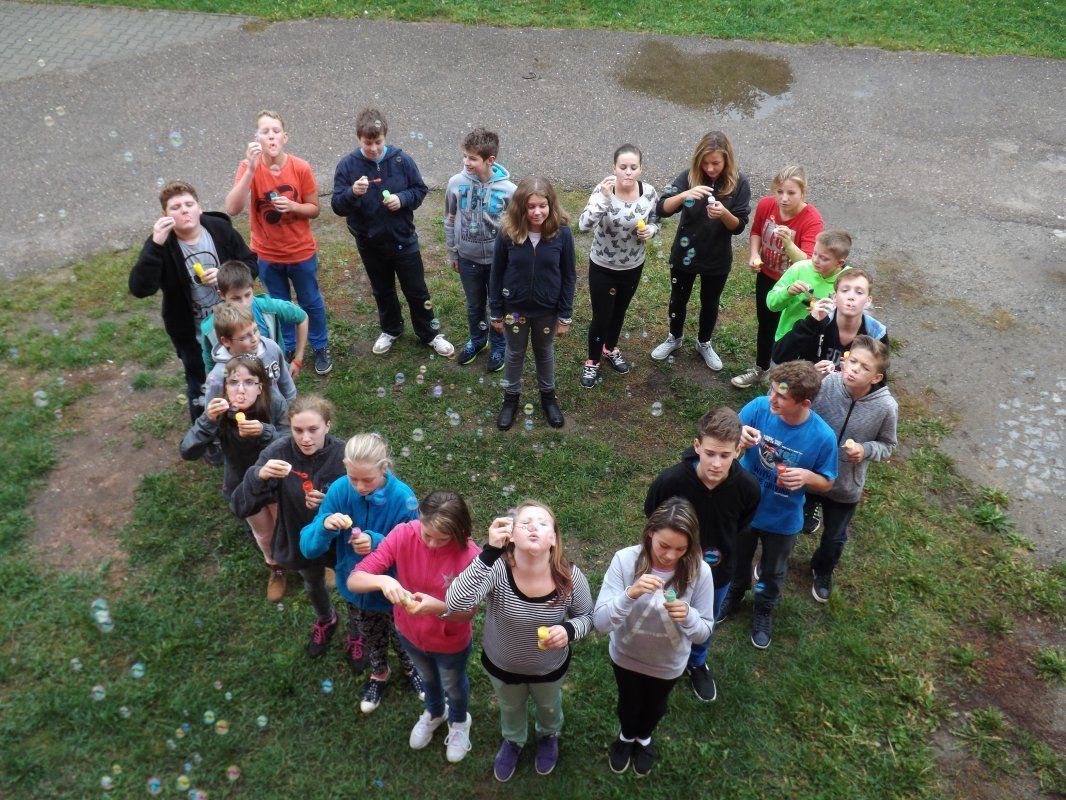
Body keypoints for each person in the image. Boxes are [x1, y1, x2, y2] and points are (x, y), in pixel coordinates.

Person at [446, 500, 593, 781]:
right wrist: (489, 553)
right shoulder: (497, 569)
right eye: (525, 523)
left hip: (548, 668)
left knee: (549, 706)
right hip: (503, 666)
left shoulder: (569, 577)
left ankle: (548, 735)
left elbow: (587, 616)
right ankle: (513, 739)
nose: (534, 527)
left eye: (543, 523)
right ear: (511, 535)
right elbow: (455, 602)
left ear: (553, 539)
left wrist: (570, 630)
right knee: (510, 707)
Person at [348, 491, 481, 763]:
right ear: (420, 517)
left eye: (442, 539)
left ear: (459, 531)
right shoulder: (403, 535)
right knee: (428, 678)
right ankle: (435, 712)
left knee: (454, 684)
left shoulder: (471, 557)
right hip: (409, 634)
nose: (431, 543)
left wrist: (440, 608)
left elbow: (468, 613)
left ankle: (459, 721)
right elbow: (354, 580)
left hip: (450, 643)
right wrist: (383, 581)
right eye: (427, 534)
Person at [718, 361, 838, 649]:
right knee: (738, 558)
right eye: (772, 390)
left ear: (804, 403)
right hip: (745, 510)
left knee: (773, 570)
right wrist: (738, 437)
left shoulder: (823, 437)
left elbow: (827, 482)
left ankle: (763, 608)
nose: (772, 398)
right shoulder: (759, 408)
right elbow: (727, 441)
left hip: (782, 521)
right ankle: (736, 591)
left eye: (781, 396)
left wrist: (808, 477)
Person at [299, 433, 423, 711]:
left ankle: (411, 669)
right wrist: (324, 525)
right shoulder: (340, 491)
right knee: (370, 638)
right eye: (353, 477)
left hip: (395, 592)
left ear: (384, 468)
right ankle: (379, 673)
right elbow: (308, 548)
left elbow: (415, 552)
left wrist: (377, 543)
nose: (359, 487)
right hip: (356, 590)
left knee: (404, 638)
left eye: (367, 479)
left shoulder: (403, 499)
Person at [643, 407, 759, 701]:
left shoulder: (748, 488)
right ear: (697, 446)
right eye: (710, 453)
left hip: (718, 573)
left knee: (705, 620)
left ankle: (696, 661)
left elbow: (742, 524)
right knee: (663, 613)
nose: (716, 463)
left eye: (725, 455)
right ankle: (659, 652)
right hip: (670, 568)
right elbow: (653, 515)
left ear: (738, 451)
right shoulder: (671, 482)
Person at [594, 497, 715, 777]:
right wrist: (629, 594)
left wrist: (688, 615)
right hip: (626, 656)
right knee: (628, 702)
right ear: (650, 533)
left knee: (655, 706)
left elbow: (703, 633)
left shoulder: (700, 572)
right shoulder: (625, 561)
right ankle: (627, 736)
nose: (671, 556)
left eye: (681, 549)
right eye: (664, 545)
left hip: (668, 663)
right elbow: (600, 623)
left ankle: (644, 738)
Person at [331, 107, 454, 358]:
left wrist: (402, 199)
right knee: (382, 289)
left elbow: (419, 190)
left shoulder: (402, 161)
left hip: (403, 238)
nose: (374, 148)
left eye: (378, 142)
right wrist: (352, 193)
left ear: (385, 137)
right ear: (358, 138)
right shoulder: (347, 166)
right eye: (368, 143)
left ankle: (430, 333)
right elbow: (337, 206)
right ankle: (391, 329)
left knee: (417, 290)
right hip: (369, 242)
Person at [129, 180, 257, 423]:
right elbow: (140, 289)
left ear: (200, 208)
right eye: (175, 207)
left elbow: (251, 263)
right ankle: (205, 431)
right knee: (201, 384)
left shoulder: (219, 230)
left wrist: (225, 274)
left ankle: (246, 419)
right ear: (165, 216)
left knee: (243, 373)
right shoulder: (162, 244)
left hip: (234, 324)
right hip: (192, 333)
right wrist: (154, 245)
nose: (184, 210)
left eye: (189, 204)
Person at [231, 395, 346, 649]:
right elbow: (239, 507)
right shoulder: (278, 453)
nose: (305, 438)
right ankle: (326, 619)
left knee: (351, 583)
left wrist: (330, 504)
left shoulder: (344, 456)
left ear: (328, 425)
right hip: (299, 539)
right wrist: (258, 476)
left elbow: (366, 499)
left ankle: (358, 632)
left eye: (313, 429)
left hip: (339, 541)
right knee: (312, 582)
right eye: (298, 430)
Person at [224, 109, 333, 375]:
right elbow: (232, 209)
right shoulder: (248, 167)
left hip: (300, 252)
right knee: (278, 304)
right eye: (265, 131)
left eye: (275, 131)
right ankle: (288, 346)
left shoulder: (300, 167)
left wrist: (294, 206)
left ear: (285, 137)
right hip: (266, 254)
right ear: (257, 139)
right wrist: (251, 169)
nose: (271, 136)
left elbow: (314, 209)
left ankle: (320, 345)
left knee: (310, 301)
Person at [180, 355, 288, 599]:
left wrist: (266, 432)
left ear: (261, 387)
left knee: (290, 524)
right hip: (244, 485)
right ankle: (276, 567)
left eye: (249, 382)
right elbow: (187, 451)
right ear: (225, 388)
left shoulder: (274, 403)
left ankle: (310, 560)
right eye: (234, 382)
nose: (241, 389)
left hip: (279, 482)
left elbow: (294, 441)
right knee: (264, 534)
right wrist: (207, 421)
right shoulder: (220, 414)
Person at [806, 336, 898, 601]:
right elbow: (789, 400)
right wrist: (811, 377)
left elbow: (888, 445)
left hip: (844, 485)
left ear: (876, 378)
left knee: (834, 539)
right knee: (788, 521)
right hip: (809, 473)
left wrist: (865, 450)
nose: (854, 369)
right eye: (852, 361)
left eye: (864, 367)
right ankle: (774, 560)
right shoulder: (827, 382)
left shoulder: (886, 407)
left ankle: (822, 569)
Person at [651, 131, 750, 371]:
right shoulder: (689, 177)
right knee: (678, 299)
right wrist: (684, 194)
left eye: (715, 163)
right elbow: (662, 209)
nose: (710, 168)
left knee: (710, 302)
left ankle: (704, 343)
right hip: (684, 255)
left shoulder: (739, 183)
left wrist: (724, 214)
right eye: (705, 163)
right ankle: (674, 337)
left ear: (727, 159)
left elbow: (739, 227)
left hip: (716, 257)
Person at [489, 177, 576, 430]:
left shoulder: (562, 233)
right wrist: (496, 312)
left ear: (551, 205)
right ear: (520, 207)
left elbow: (569, 276)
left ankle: (548, 398)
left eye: (542, 206)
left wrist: (565, 315)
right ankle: (510, 399)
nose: (537, 212)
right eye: (531, 207)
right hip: (514, 308)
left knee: (544, 352)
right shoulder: (508, 233)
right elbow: (496, 273)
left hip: (547, 310)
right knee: (515, 352)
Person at [732, 165, 824, 389]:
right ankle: (761, 368)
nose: (783, 198)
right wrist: (755, 255)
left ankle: (788, 379)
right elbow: (756, 232)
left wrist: (789, 243)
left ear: (803, 192)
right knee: (766, 323)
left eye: (791, 193)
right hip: (767, 276)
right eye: (779, 191)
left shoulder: (811, 219)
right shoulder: (766, 205)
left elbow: (808, 263)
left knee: (792, 331)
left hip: (798, 285)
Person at [577, 144, 659, 389]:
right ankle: (592, 360)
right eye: (623, 167)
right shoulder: (603, 191)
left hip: (633, 266)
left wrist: (651, 230)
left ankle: (610, 348)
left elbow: (656, 219)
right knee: (601, 316)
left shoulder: (649, 192)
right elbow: (583, 225)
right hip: (603, 265)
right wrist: (604, 199)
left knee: (619, 311)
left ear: (640, 169)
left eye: (633, 167)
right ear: (614, 168)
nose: (628, 172)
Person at [444, 127, 516, 373]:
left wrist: (514, 260)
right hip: (467, 259)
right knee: (474, 304)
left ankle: (499, 346)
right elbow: (450, 219)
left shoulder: (509, 191)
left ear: (490, 160)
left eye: (472, 158)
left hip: (499, 262)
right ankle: (477, 340)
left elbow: (516, 228)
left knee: (499, 306)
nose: (466, 162)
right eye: (465, 156)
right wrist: (453, 252)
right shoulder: (456, 183)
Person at [200, 260, 309, 375]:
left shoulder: (268, 307)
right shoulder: (211, 329)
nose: (244, 304)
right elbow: (210, 369)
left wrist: (298, 359)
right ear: (221, 295)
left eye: (247, 295)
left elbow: (302, 317)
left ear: (252, 289)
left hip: (276, 375)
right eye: (235, 298)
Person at [771, 268, 888, 375]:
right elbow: (779, 357)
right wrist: (810, 322)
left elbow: (879, 377)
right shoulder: (818, 322)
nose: (851, 296)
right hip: (812, 386)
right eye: (845, 290)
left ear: (868, 300)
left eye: (859, 292)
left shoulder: (876, 333)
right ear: (835, 297)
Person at [202, 302, 296, 409]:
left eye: (255, 330)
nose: (255, 339)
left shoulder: (271, 348)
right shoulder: (218, 375)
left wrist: (290, 407)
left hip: (278, 414)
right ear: (226, 341)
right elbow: (211, 410)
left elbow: (286, 383)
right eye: (244, 337)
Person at [765, 229, 853, 343]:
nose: (815, 260)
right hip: (790, 339)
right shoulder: (799, 269)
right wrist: (788, 292)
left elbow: (853, 318)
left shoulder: (851, 281)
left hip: (824, 343)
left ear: (840, 263)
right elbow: (772, 304)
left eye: (824, 258)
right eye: (815, 253)